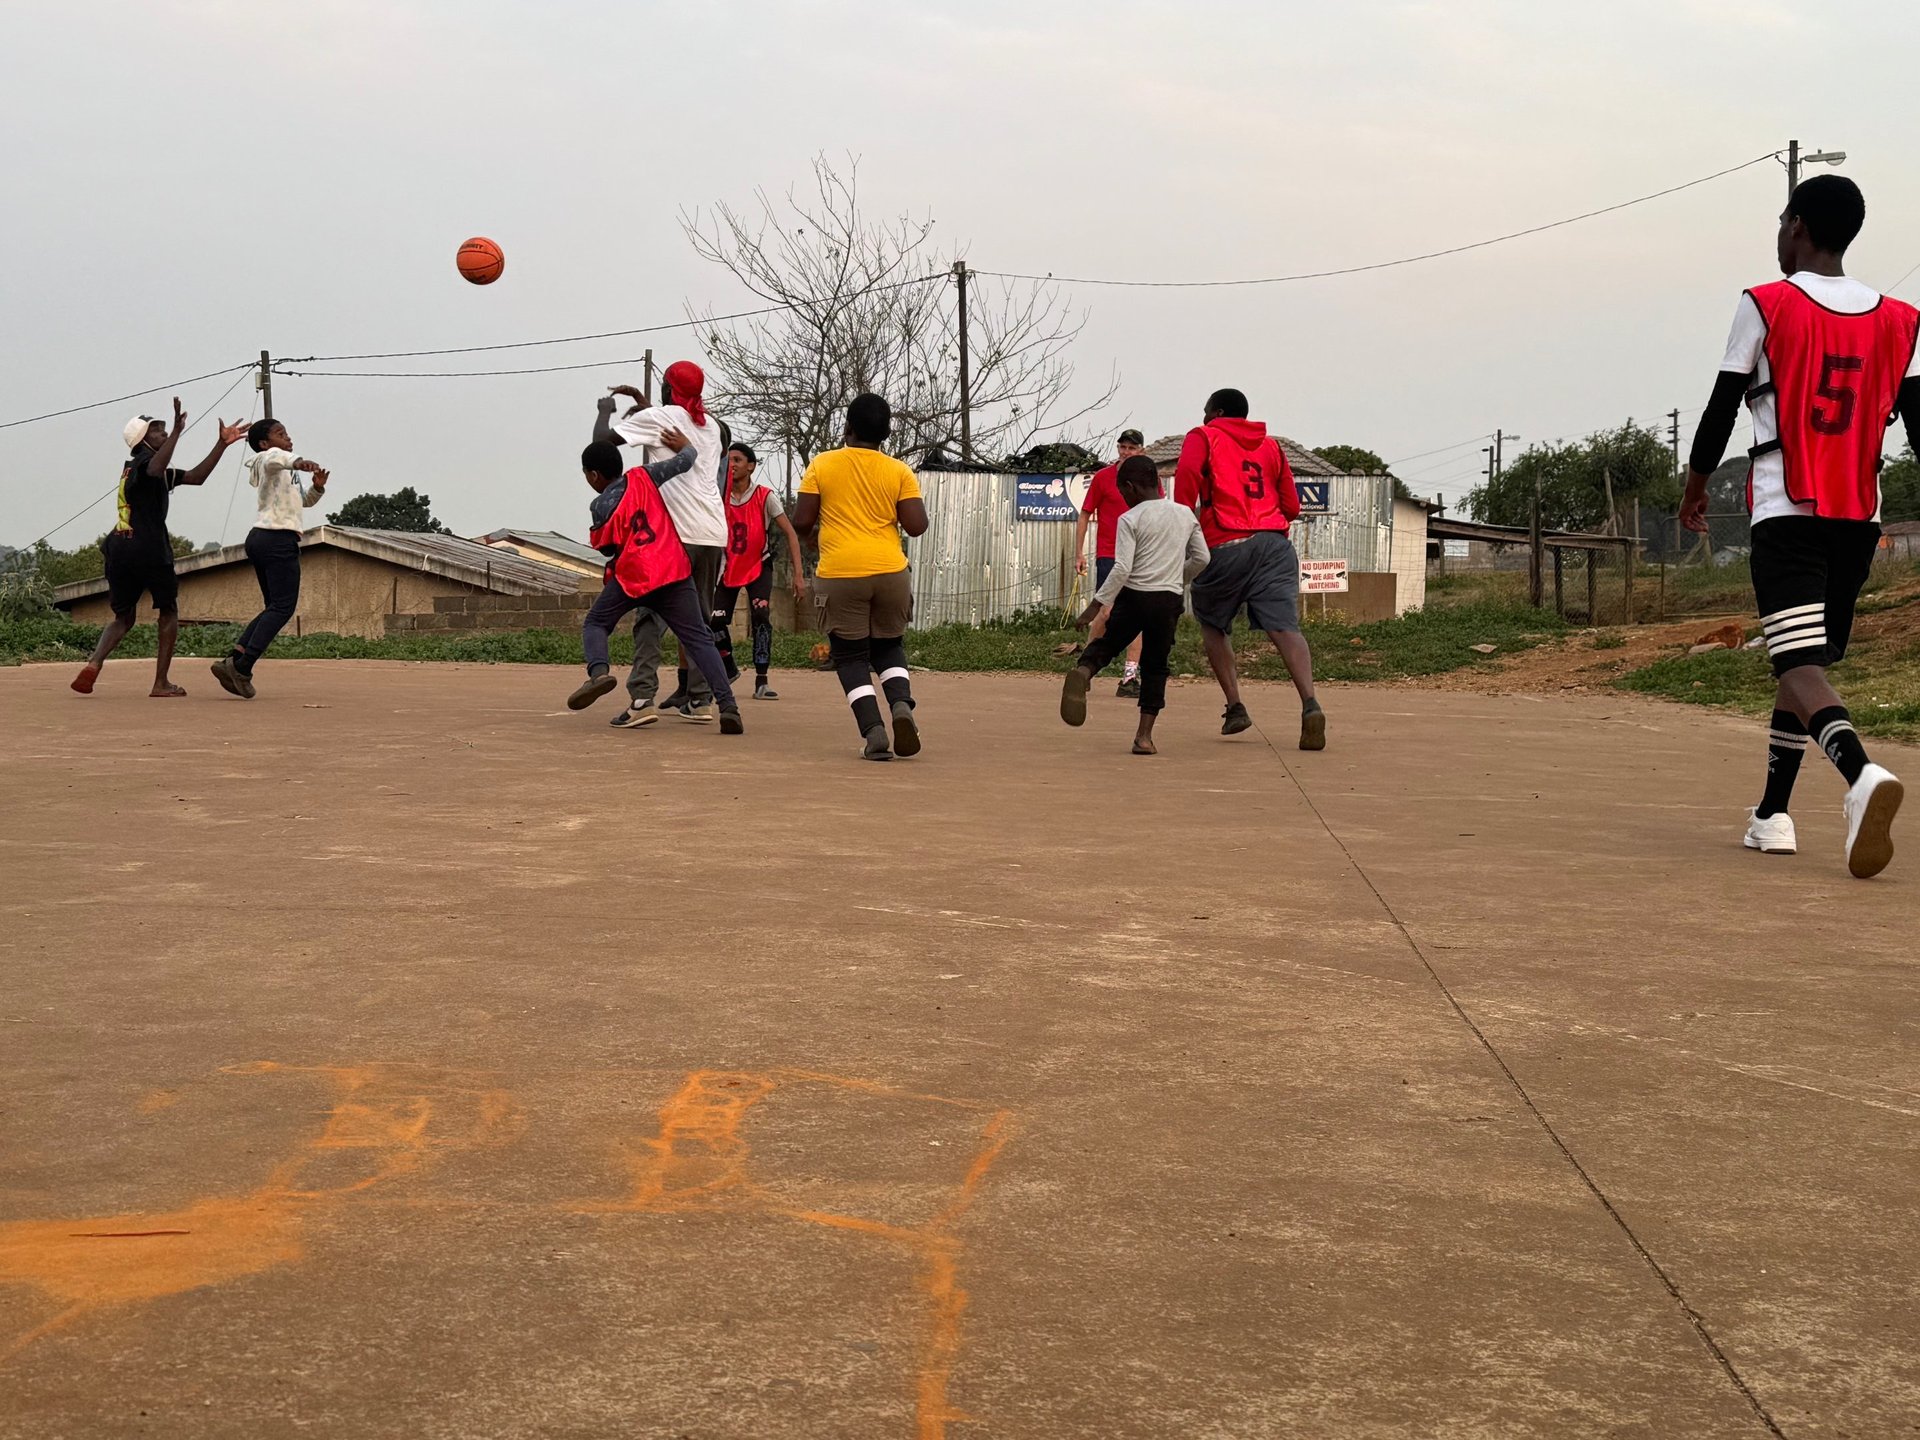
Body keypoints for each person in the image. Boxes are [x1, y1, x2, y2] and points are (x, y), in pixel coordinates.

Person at [1681, 174, 1919, 878]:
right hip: (1858, 516)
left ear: (1799, 228)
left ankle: (1861, 775)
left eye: (1782, 222)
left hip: (1788, 506)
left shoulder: (1766, 303)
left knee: (1797, 662)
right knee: (1806, 657)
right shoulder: (1903, 320)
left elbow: (1722, 405)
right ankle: (1772, 815)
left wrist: (1695, 488)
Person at [1175, 388, 1324, 749]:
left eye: (1207, 411)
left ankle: (1236, 706)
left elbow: (1187, 477)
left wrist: (1181, 522)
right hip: (1275, 544)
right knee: (1286, 628)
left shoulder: (1203, 436)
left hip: (1226, 542)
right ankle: (1310, 703)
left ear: (1219, 412)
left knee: (1213, 623)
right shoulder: (1272, 447)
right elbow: (1290, 505)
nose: (1204, 417)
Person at [71, 400, 245, 697]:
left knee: (123, 618)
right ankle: (161, 682)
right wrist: (178, 431)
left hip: (119, 546)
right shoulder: (142, 464)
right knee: (169, 610)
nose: (163, 434)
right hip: (148, 547)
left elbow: (196, 477)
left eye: (165, 429)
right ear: (142, 440)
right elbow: (154, 467)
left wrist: (221, 445)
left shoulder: (143, 470)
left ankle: (94, 663)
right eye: (158, 431)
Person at [569, 437, 742, 734]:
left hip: (635, 575)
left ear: (594, 475)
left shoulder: (599, 506)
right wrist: (686, 444)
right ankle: (728, 707)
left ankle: (599, 673)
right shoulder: (644, 475)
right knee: (699, 639)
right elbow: (686, 460)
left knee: (596, 623)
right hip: (672, 567)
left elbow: (608, 549)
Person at [793, 393, 928, 761]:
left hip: (840, 572)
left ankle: (874, 732)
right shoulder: (899, 471)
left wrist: (809, 539)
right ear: (886, 433)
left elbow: (803, 520)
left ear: (847, 427)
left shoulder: (822, 464)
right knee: (888, 644)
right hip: (890, 571)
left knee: (850, 655)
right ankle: (901, 707)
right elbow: (916, 526)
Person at [595, 361, 728, 725]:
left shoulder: (659, 418)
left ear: (669, 389)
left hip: (675, 535)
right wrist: (645, 402)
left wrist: (606, 411)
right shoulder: (711, 426)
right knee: (698, 622)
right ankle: (700, 701)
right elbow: (672, 416)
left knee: (650, 616)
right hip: (713, 533)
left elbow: (603, 441)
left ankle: (642, 699)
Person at [1060, 455, 1210, 755]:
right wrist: (1175, 578)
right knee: (1156, 665)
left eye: (1122, 492)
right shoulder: (1185, 515)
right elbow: (1203, 558)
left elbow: (1122, 569)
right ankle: (1144, 737)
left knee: (1110, 641)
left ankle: (1085, 672)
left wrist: (1096, 605)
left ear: (1131, 488)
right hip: (1167, 600)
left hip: (1135, 594)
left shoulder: (1130, 518)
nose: (1124, 499)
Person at [209, 419, 329, 700]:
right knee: (283, 607)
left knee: (273, 607)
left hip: (262, 538)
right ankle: (242, 667)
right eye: (281, 434)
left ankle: (237, 656)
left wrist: (317, 488)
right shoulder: (268, 459)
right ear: (264, 443)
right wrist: (300, 461)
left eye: (288, 433)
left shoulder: (283, 473)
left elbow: (303, 502)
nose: (288, 438)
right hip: (277, 539)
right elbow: (278, 457)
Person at [711, 442, 805, 700]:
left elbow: (791, 534)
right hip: (728, 567)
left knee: (761, 616)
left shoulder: (765, 496)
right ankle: (728, 666)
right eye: (729, 460)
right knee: (714, 620)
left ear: (750, 466)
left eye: (738, 460)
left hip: (758, 566)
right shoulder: (719, 496)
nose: (732, 465)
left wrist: (798, 575)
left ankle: (762, 681)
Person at [1075, 428, 1148, 696]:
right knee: (1105, 613)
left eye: (1132, 448)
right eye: (1123, 447)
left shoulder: (1147, 479)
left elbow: (1157, 513)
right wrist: (1079, 553)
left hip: (1140, 557)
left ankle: (1129, 677)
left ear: (1141, 450)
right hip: (1110, 554)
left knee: (1137, 615)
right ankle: (1085, 668)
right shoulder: (1104, 478)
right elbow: (1084, 514)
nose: (1126, 452)